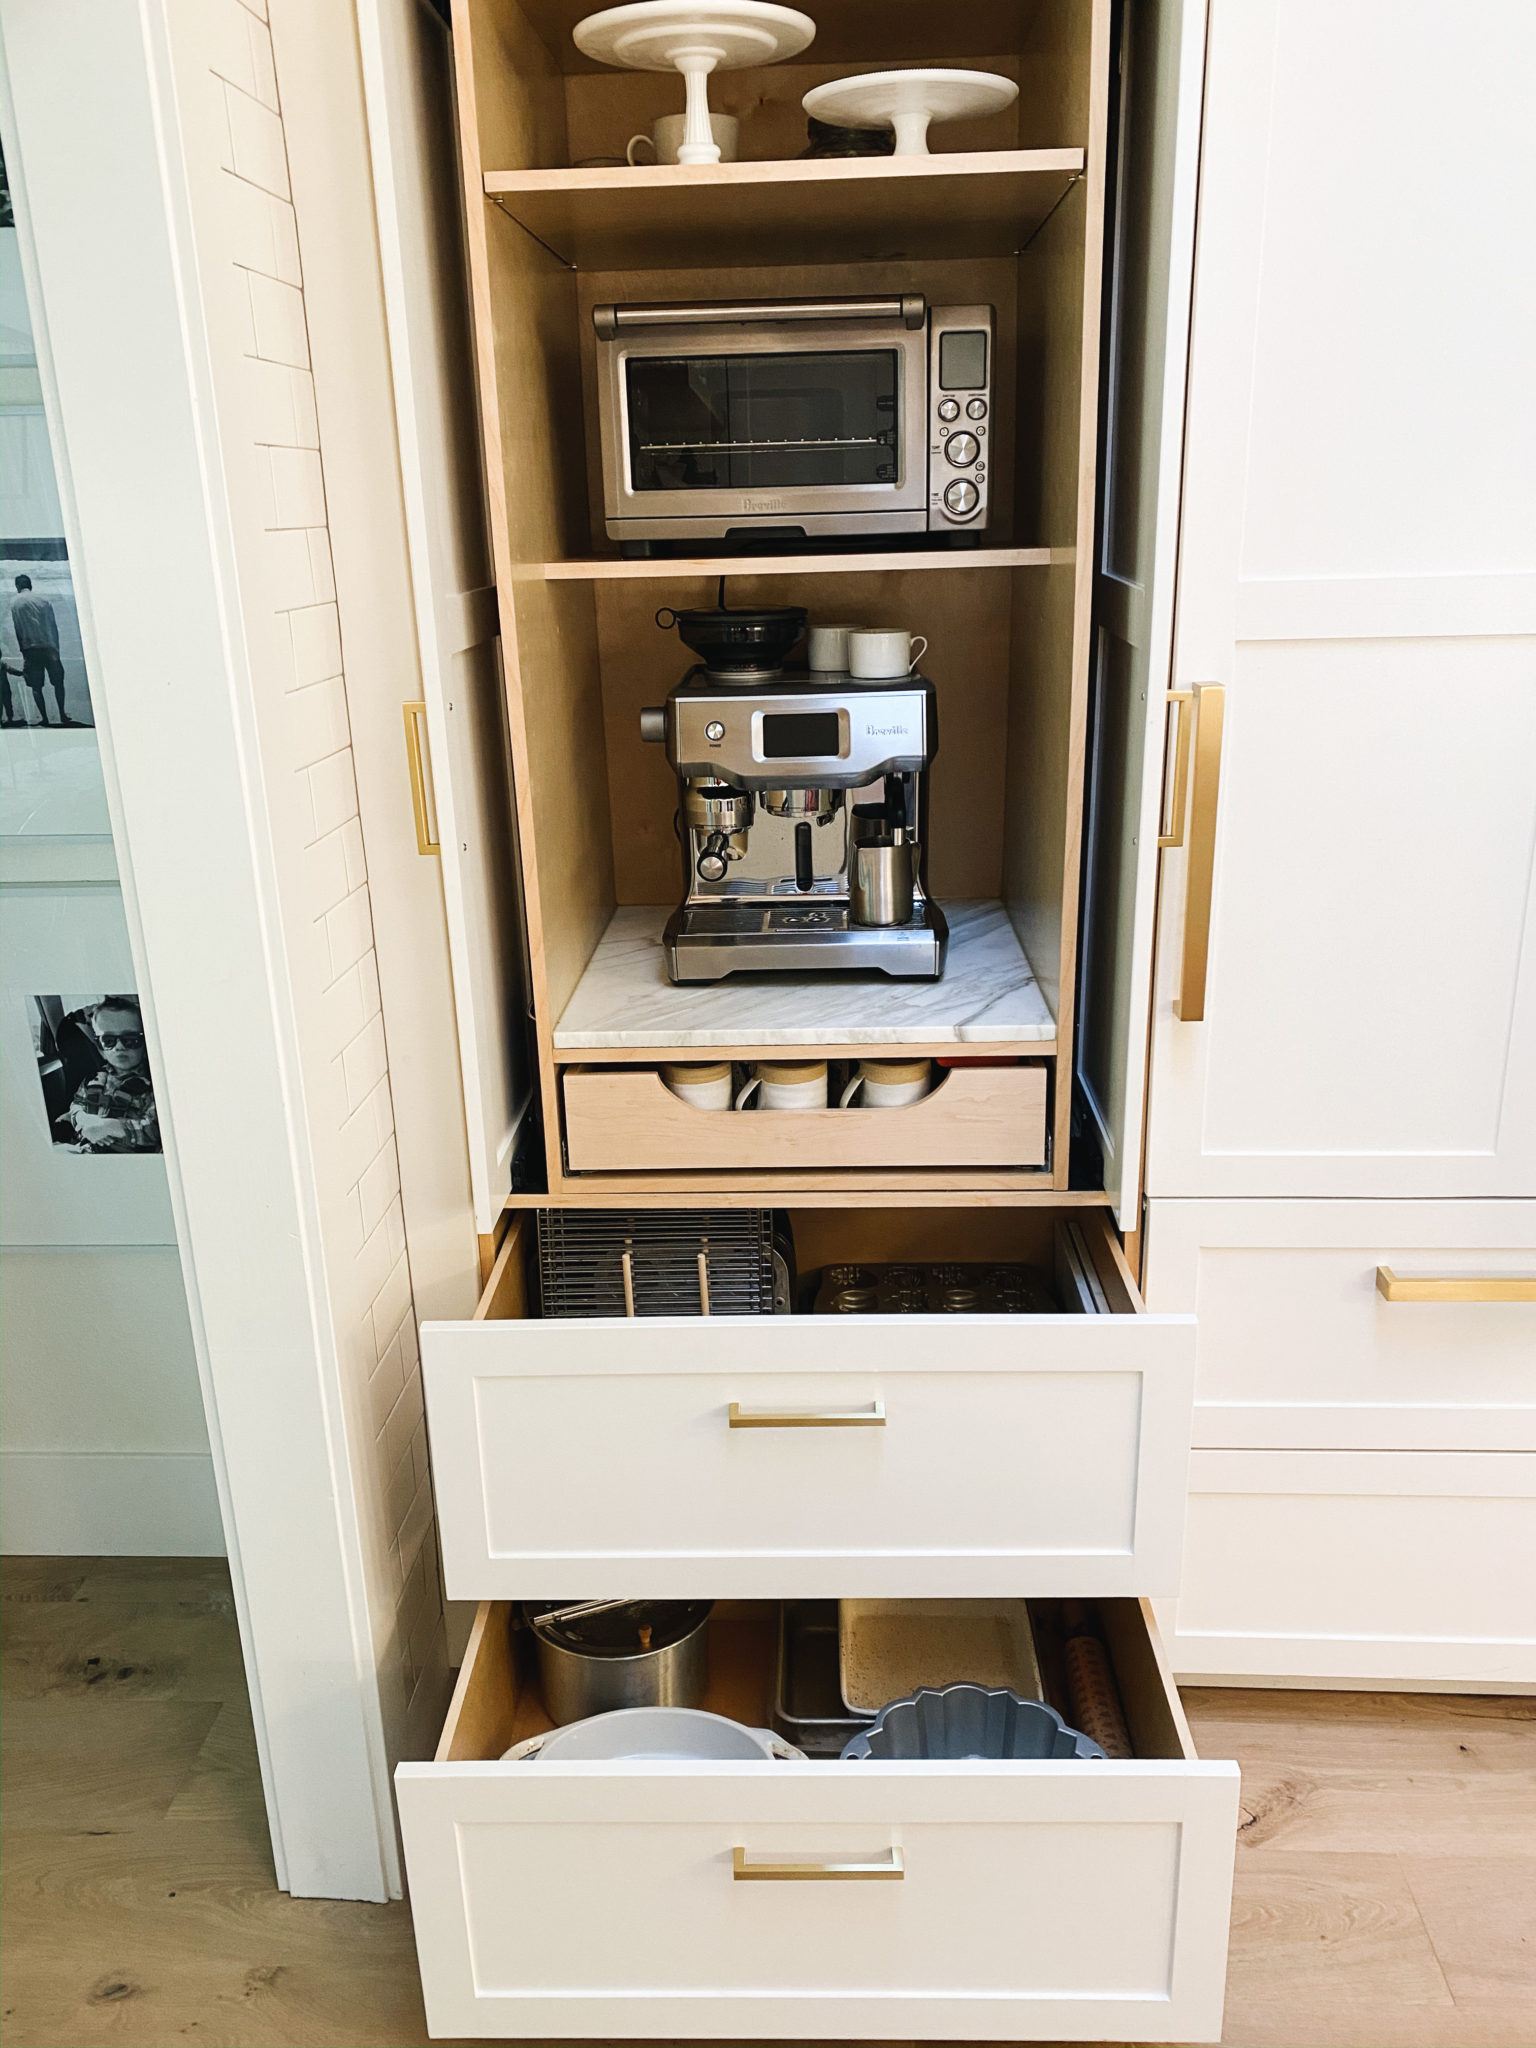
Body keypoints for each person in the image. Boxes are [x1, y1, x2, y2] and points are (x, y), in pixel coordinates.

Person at [65, 996, 160, 1153]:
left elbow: (157, 1129)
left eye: (130, 1040)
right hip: (84, 1150)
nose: (119, 1047)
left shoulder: (154, 1086)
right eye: (108, 1041)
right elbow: (76, 1106)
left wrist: (111, 1127)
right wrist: (83, 1120)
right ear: (101, 1050)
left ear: (145, 1044)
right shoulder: (92, 1080)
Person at [10, 573, 75, 727]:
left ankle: (45, 718)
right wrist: (56, 648)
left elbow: (18, 628)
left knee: (36, 686)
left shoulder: (15, 603)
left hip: (30, 648)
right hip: (49, 646)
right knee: (58, 682)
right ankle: (62, 713)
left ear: (17, 586)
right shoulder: (44, 600)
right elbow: (52, 625)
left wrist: (22, 649)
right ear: (30, 585)